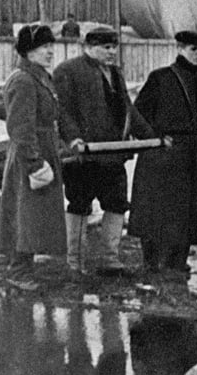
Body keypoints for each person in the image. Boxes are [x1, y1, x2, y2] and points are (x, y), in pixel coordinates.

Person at [52, 26, 155, 274]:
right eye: (105, 47)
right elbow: (62, 111)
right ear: (88, 47)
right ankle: (74, 261)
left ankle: (110, 258)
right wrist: (74, 140)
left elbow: (127, 110)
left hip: (112, 153)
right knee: (79, 204)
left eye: (114, 47)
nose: (111, 52)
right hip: (83, 155)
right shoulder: (68, 71)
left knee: (117, 203)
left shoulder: (115, 74)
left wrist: (151, 137)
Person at [128, 30, 197, 276]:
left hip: (191, 155)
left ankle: (178, 262)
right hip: (161, 155)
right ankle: (151, 262)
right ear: (179, 49)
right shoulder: (160, 78)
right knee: (155, 209)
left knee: (187, 211)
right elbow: (138, 114)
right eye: (193, 49)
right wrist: (154, 139)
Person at [0, 23, 68, 281]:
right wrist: (34, 162)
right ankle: (18, 271)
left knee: (35, 213)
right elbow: (20, 128)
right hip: (30, 153)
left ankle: (25, 266)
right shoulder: (23, 81)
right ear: (28, 52)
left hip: (44, 147)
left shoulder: (41, 77)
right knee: (24, 211)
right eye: (43, 47)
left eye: (50, 46)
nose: (49, 52)